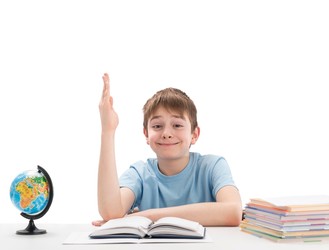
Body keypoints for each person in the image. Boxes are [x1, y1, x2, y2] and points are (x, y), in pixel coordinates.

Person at [94, 73, 242, 227]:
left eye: (177, 125)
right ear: (146, 134)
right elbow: (111, 213)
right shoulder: (140, 172)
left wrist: (147, 216)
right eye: (157, 126)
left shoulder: (213, 165)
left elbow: (233, 212)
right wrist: (108, 130)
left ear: (194, 134)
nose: (166, 134)